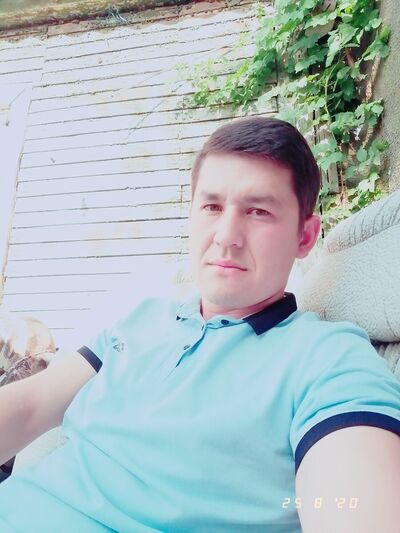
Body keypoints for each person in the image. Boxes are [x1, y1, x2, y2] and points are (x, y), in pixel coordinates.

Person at [0, 117, 399, 532]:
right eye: (212, 207)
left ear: (305, 237)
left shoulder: (328, 359)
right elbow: (30, 406)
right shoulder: (140, 320)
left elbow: (352, 502)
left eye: (259, 211)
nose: (226, 236)